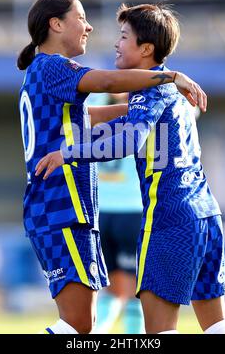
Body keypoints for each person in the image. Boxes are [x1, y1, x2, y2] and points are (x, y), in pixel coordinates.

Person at [36, 3, 225, 334]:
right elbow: (126, 121)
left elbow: (127, 140)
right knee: (217, 324)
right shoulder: (170, 91)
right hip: (206, 215)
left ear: (146, 49)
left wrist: (68, 153)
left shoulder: (149, 88)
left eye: (124, 36)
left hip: (169, 218)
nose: (116, 42)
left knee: (158, 332)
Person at [93, 93, 144, 334]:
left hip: (100, 211)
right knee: (135, 290)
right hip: (131, 209)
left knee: (113, 287)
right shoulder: (140, 110)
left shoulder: (97, 104)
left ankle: (97, 332)